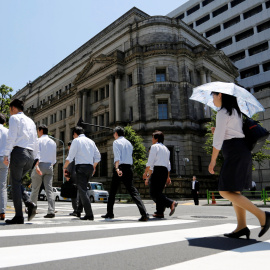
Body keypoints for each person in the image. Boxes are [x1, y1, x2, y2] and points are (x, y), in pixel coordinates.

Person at [209, 92, 270, 239]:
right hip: (241, 150)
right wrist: (218, 131)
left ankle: (263, 216)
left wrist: (213, 161)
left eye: (213, 96)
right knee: (234, 192)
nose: (212, 100)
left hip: (234, 152)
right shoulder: (236, 112)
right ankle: (242, 226)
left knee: (224, 191)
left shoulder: (222, 112)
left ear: (220, 95)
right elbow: (232, 132)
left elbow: (218, 141)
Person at [3, 99, 39, 224]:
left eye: (9, 110)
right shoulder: (31, 121)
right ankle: (29, 202)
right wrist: (36, 157)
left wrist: (6, 154)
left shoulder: (14, 118)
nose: (9, 113)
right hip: (30, 155)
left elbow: (11, 136)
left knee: (15, 184)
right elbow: (35, 140)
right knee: (17, 183)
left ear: (13, 108)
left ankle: (19, 215)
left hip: (19, 153)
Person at [101, 126, 149, 221]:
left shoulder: (116, 142)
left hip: (120, 168)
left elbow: (117, 157)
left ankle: (110, 213)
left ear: (116, 133)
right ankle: (144, 213)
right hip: (128, 168)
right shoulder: (129, 143)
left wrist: (117, 168)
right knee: (133, 191)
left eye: (114, 133)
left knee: (113, 191)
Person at [63, 126, 100, 220]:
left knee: (82, 191)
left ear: (75, 133)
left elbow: (70, 157)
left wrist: (64, 167)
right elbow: (98, 156)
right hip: (89, 167)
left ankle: (89, 214)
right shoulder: (91, 141)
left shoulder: (76, 141)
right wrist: (94, 166)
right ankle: (79, 211)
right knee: (83, 189)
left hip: (81, 168)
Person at [143, 130, 178, 218]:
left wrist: (145, 173)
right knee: (159, 192)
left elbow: (150, 162)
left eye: (152, 137)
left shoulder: (154, 147)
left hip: (157, 170)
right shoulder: (166, 149)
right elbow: (168, 164)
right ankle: (159, 212)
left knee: (153, 193)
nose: (152, 139)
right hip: (164, 170)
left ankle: (171, 203)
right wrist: (168, 177)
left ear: (156, 138)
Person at [30, 125, 57, 218]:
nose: (37, 132)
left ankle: (32, 209)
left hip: (40, 165)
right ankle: (51, 211)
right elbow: (54, 159)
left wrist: (36, 166)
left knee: (35, 189)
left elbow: (36, 155)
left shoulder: (38, 140)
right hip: (50, 166)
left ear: (41, 131)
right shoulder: (53, 142)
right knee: (49, 190)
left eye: (38, 131)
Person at [66, 140, 83, 217]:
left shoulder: (71, 153)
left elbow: (69, 166)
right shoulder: (79, 152)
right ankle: (79, 209)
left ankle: (75, 210)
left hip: (73, 175)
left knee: (73, 194)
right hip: (80, 174)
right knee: (79, 193)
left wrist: (67, 176)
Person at [0, 113, 9, 220]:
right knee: (2, 186)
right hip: (4, 159)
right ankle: (2, 212)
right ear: (5, 122)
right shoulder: (8, 131)